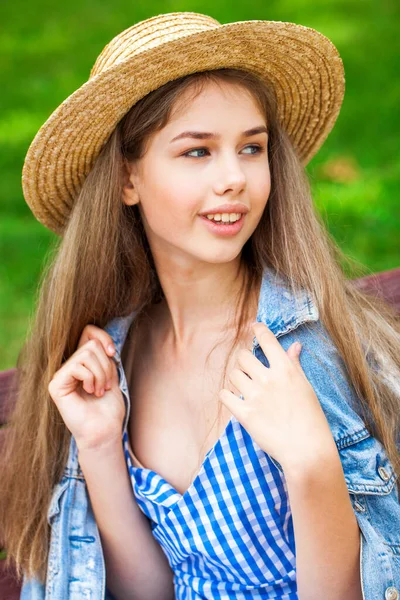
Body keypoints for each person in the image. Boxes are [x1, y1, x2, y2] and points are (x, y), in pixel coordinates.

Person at [1, 11, 399, 600]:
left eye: (251, 147)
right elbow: (154, 590)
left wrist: (312, 460)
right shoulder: (122, 352)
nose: (234, 178)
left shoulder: (308, 350)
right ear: (127, 178)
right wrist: (101, 445)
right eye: (197, 152)